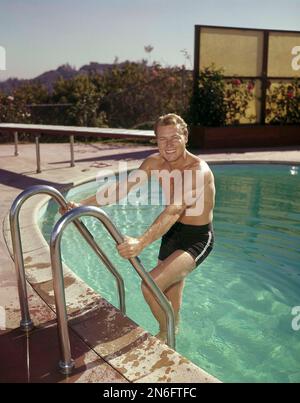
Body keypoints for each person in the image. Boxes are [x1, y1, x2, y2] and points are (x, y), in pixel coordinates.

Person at [61, 113, 215, 342]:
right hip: (172, 233)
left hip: (197, 238)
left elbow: (174, 210)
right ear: (156, 140)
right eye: (162, 139)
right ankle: (175, 332)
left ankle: (165, 333)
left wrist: (141, 242)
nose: (168, 144)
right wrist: (79, 205)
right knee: (170, 295)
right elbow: (121, 189)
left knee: (150, 285)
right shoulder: (155, 163)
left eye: (174, 137)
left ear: (185, 136)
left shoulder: (196, 170)